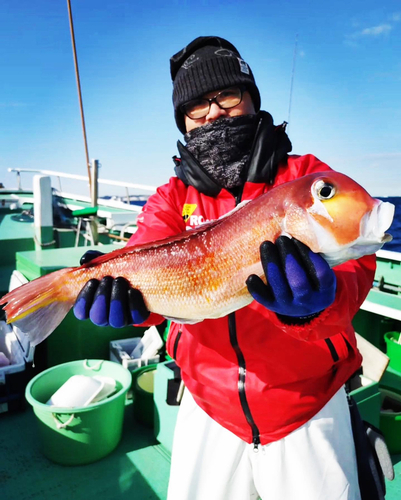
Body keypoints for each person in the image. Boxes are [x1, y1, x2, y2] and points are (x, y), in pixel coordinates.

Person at [74, 36, 376, 500]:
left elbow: (355, 266)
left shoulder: (306, 178)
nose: (212, 111)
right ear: (183, 121)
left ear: (252, 98)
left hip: (308, 404)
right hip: (207, 405)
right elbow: (149, 267)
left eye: (226, 95)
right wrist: (129, 303)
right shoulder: (170, 198)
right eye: (195, 106)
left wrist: (320, 302)